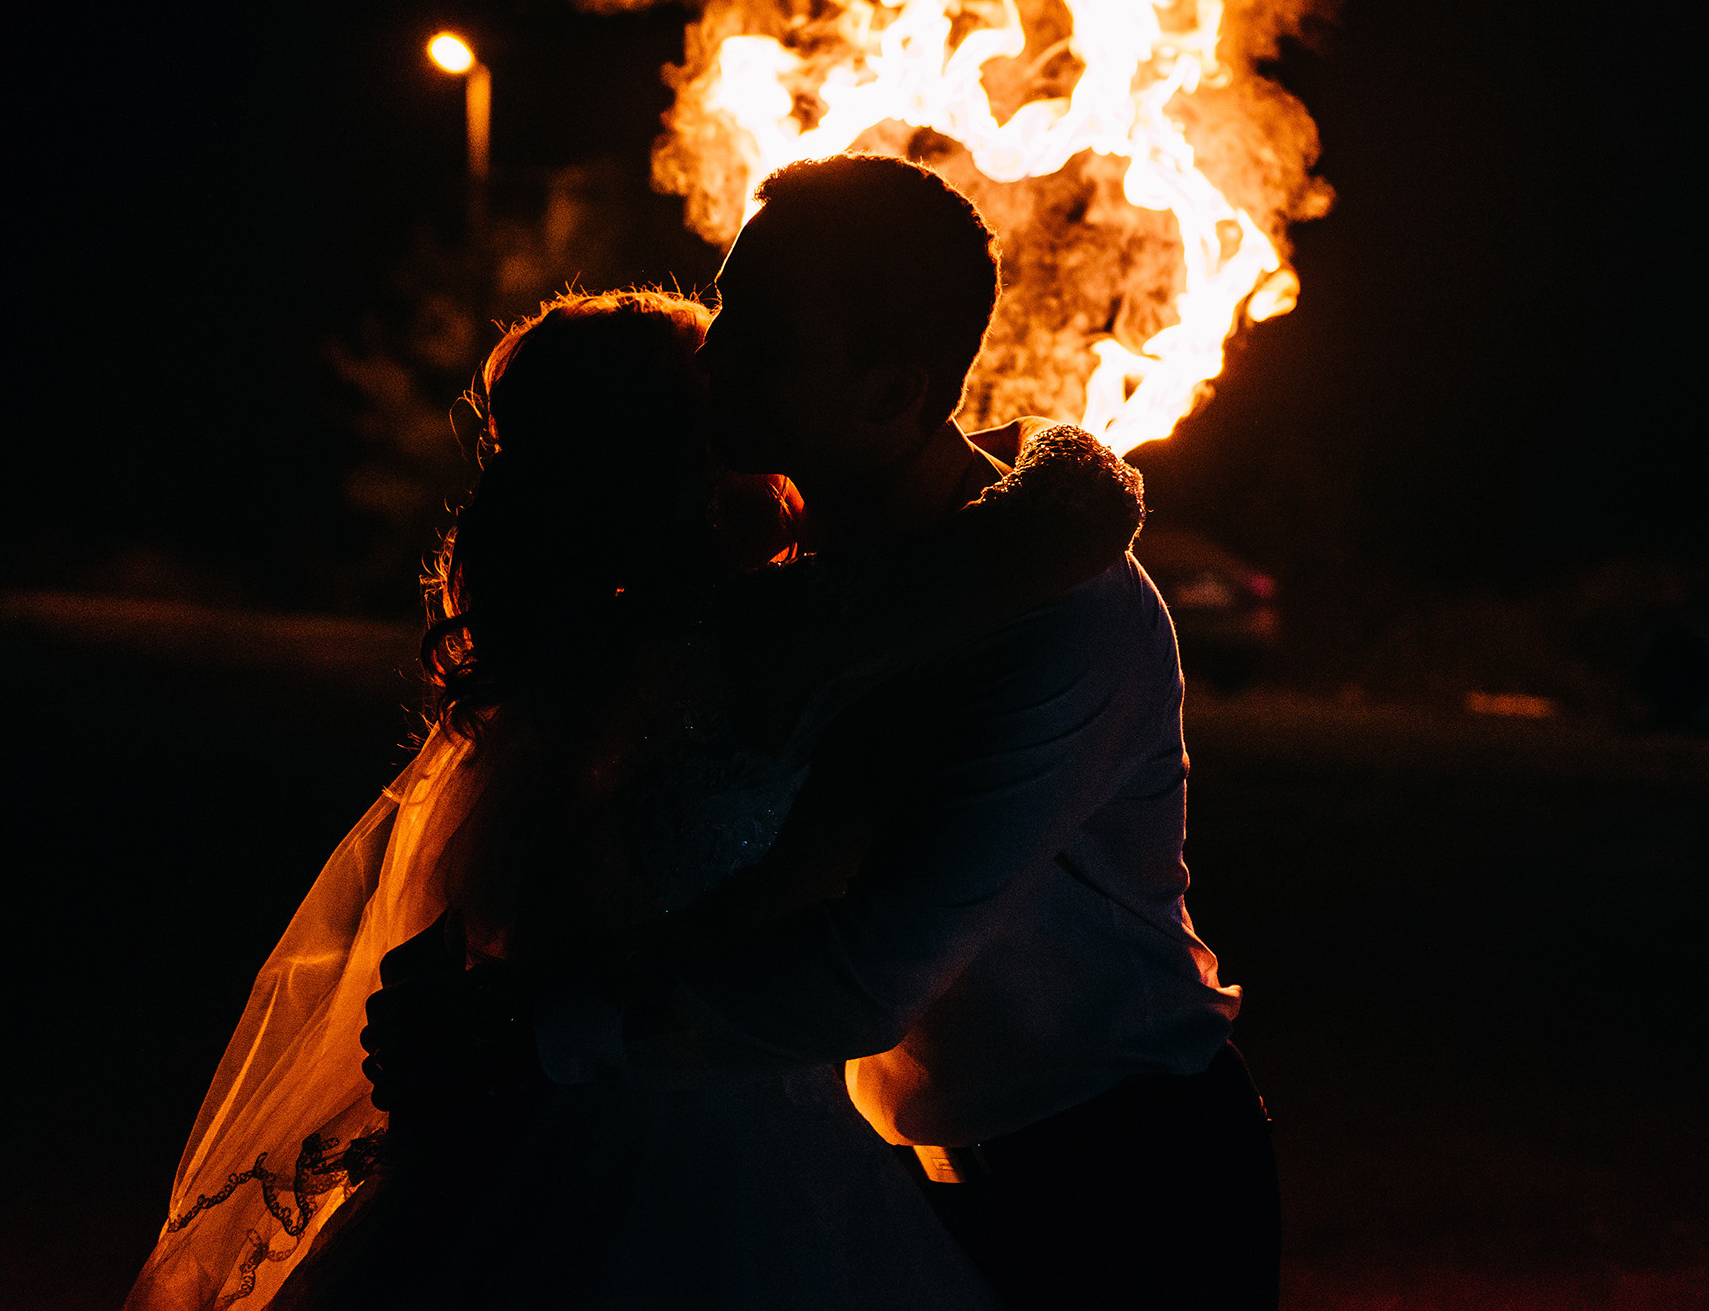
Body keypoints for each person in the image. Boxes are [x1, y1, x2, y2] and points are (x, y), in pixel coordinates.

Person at [376, 154, 1281, 1310]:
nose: (715, 361)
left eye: (765, 342)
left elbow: (871, 970)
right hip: (888, 1166)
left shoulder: (1056, 617)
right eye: (727, 312)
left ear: (893, 393)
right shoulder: (784, 585)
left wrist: (536, 1033)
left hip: (1120, 1174)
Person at [124, 286, 1143, 1310]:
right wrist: (1076, 459)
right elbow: (1029, 543)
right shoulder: (769, 641)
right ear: (694, 453)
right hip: (722, 1162)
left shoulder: (559, 664)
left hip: (534, 1134)